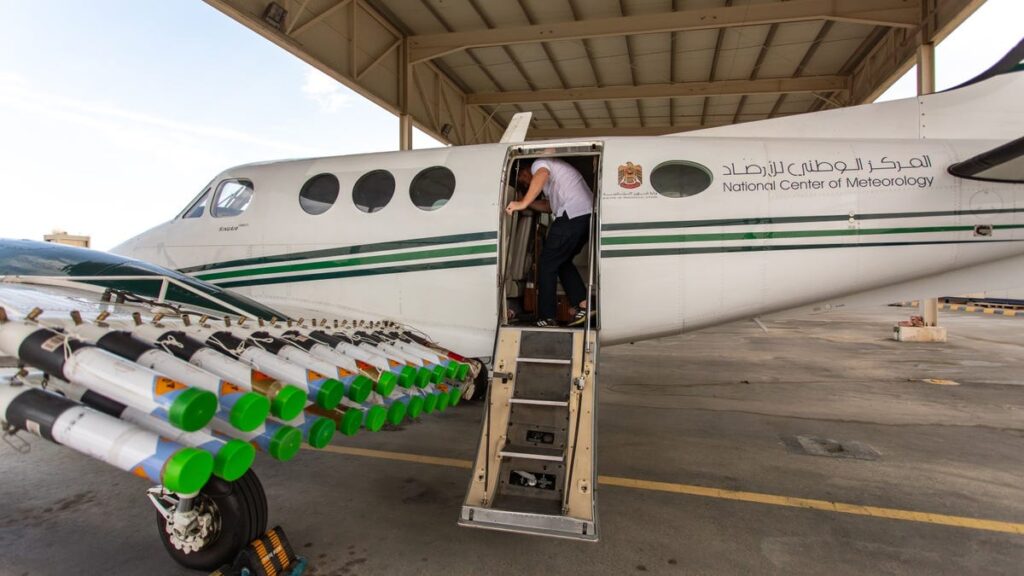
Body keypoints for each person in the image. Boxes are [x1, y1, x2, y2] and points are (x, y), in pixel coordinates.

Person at [505, 158, 594, 327]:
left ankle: (547, 316)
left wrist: (522, 202)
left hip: (571, 214)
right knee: (561, 261)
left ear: (525, 170)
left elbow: (541, 174)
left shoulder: (539, 165)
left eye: (521, 179)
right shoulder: (554, 182)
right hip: (584, 215)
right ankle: (584, 305)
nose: (523, 183)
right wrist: (527, 204)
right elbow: (548, 207)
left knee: (546, 263)